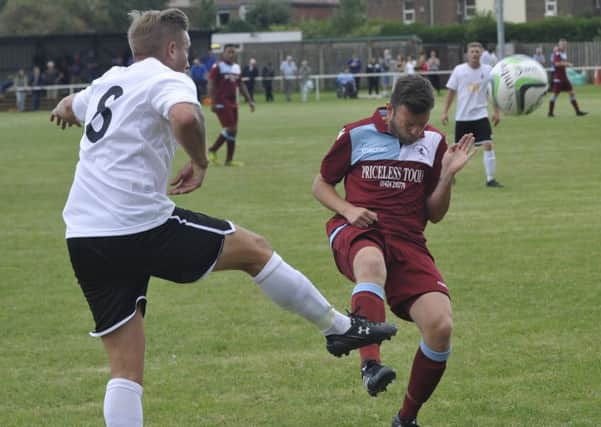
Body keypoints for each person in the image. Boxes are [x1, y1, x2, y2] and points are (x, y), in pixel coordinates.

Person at [49, 9, 397, 427]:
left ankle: (339, 328)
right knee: (255, 250)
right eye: (187, 51)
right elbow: (184, 116)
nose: (188, 60)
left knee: (125, 372)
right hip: (137, 227)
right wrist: (199, 161)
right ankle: (337, 328)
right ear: (172, 48)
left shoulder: (108, 80)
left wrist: (62, 109)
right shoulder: (168, 76)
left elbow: (72, 104)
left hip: (84, 237)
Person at [312, 74, 476, 427]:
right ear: (390, 109)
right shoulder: (355, 134)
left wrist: (447, 176)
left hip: (408, 240)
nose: (417, 131)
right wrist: (348, 209)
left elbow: (435, 214)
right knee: (371, 262)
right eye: (409, 122)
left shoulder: (434, 141)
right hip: (359, 229)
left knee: (440, 325)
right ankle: (370, 365)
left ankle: (406, 419)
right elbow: (321, 183)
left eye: (422, 123)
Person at [442, 41, 502, 188]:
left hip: (481, 115)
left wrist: (496, 112)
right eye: (472, 51)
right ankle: (449, 176)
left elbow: (492, 92)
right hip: (463, 117)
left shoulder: (488, 70)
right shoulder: (459, 70)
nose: (475, 54)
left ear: (481, 54)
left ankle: (490, 179)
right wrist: (445, 112)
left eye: (477, 51)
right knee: (458, 150)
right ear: (467, 54)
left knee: (488, 144)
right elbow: (451, 93)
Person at [207, 44, 254, 167]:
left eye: (233, 52)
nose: (231, 54)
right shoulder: (218, 67)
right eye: (229, 52)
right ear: (223, 54)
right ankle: (212, 149)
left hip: (233, 102)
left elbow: (241, 85)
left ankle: (229, 160)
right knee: (230, 128)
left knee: (234, 131)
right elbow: (211, 83)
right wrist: (212, 101)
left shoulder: (236, 68)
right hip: (221, 101)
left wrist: (249, 100)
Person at [548, 38, 587, 118]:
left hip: (564, 77)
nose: (564, 46)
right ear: (559, 45)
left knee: (572, 93)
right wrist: (567, 64)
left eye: (565, 44)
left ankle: (578, 112)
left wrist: (565, 64)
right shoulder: (557, 53)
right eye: (562, 44)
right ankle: (550, 113)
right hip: (558, 78)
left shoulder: (563, 53)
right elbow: (557, 64)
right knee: (555, 95)